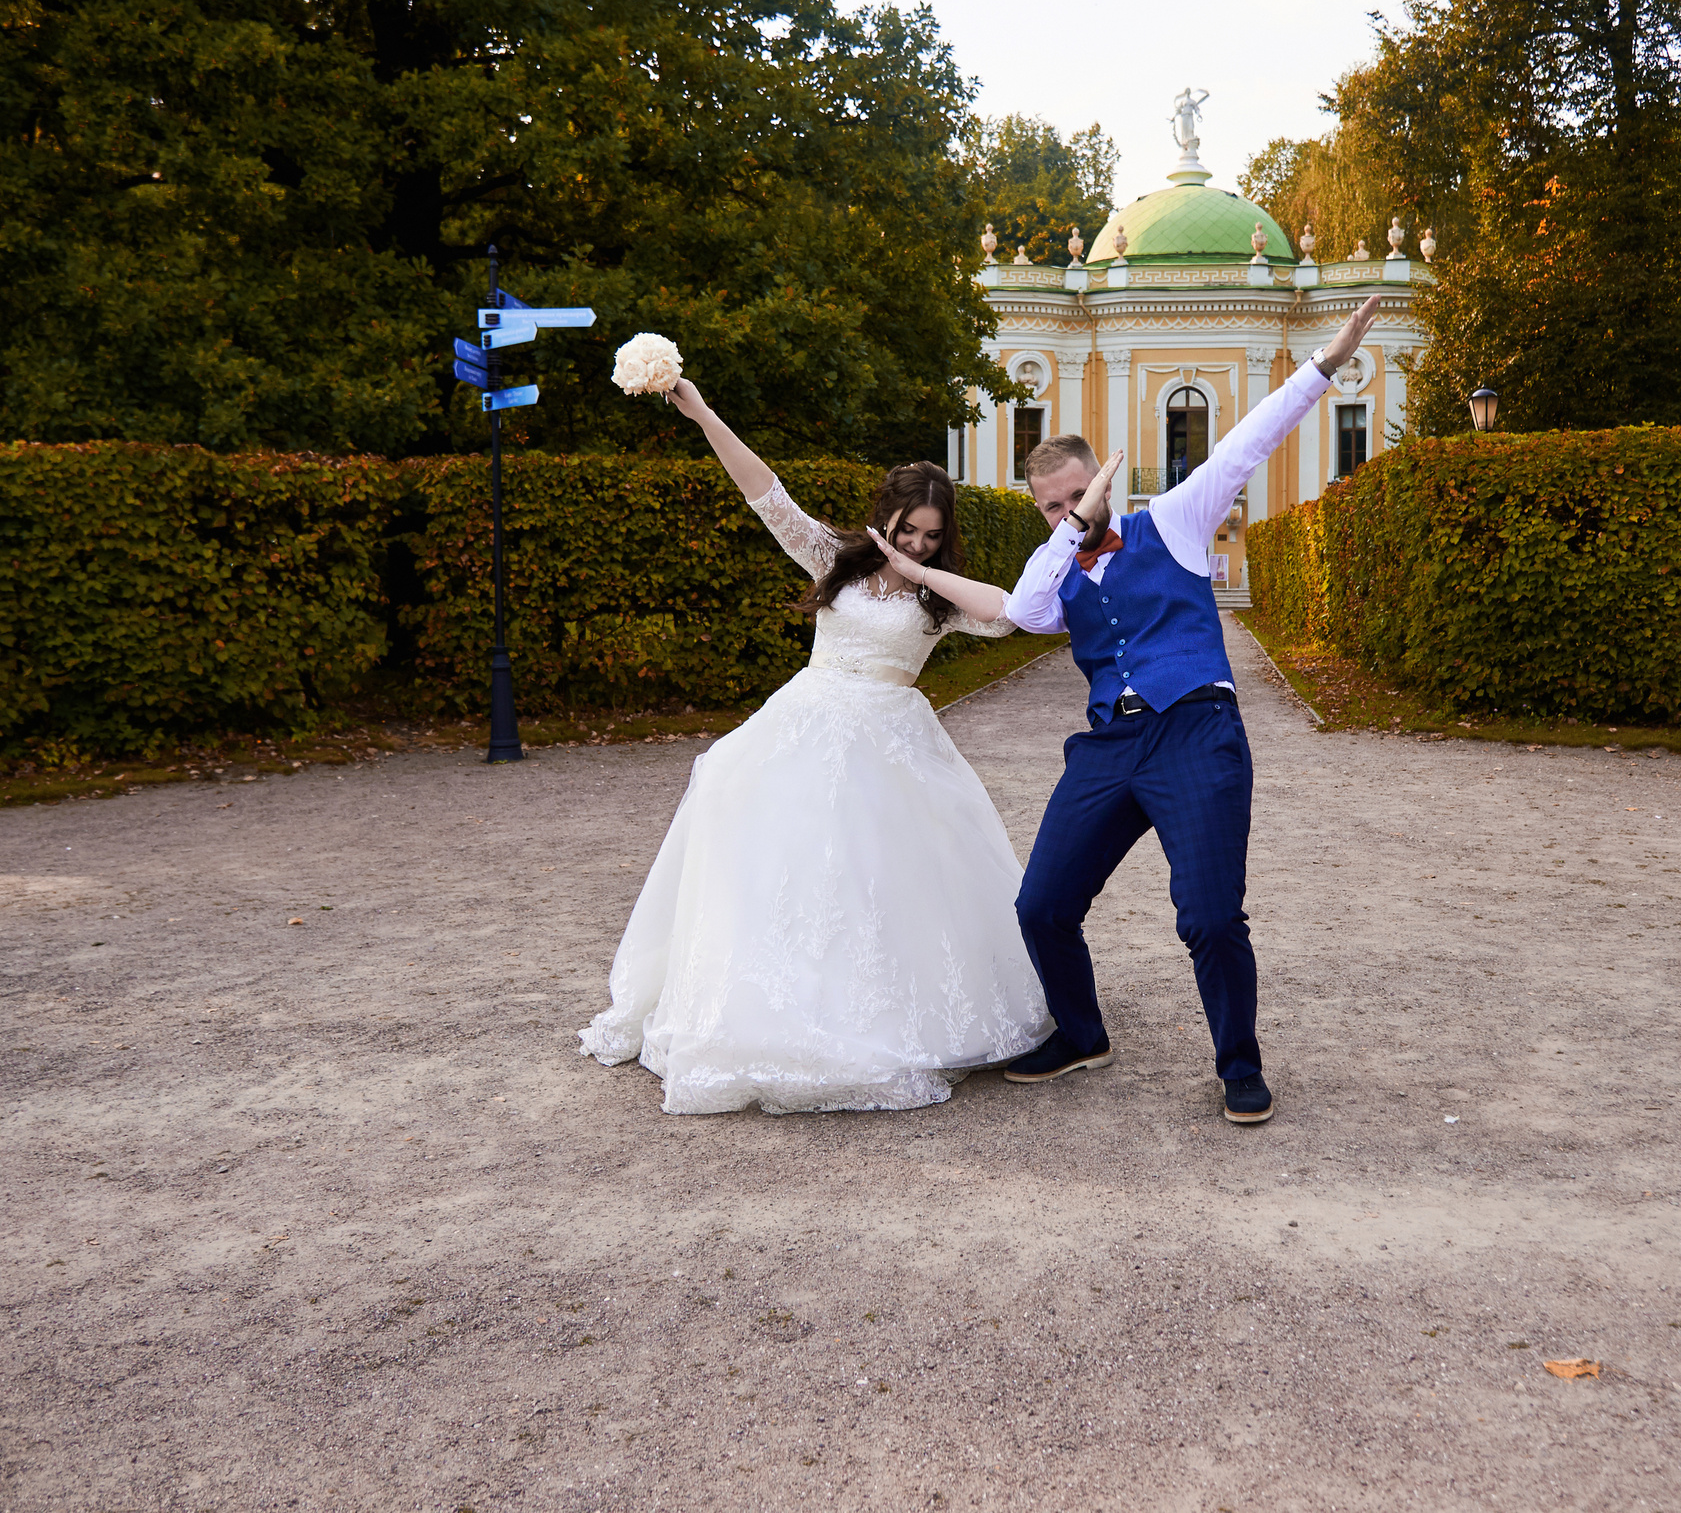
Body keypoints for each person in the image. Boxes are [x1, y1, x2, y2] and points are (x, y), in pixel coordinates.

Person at [576, 377, 1053, 1113]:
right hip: (803, 726)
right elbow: (766, 494)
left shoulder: (938, 597)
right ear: (883, 516)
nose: (916, 542)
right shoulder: (833, 559)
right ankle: (775, 1012)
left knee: (881, 882)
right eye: (906, 529)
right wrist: (704, 410)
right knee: (787, 870)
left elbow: (1014, 614)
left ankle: (886, 1017)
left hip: (892, 744)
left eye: (931, 533)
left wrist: (926, 572)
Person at [985, 296, 1384, 1125]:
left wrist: (1328, 359)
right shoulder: (1057, 572)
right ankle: (1082, 1032)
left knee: (1208, 914)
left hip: (1196, 731)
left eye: (1077, 496)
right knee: (1041, 906)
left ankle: (1239, 1063)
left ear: (1103, 476)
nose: (1070, 515)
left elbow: (1251, 440)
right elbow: (1022, 613)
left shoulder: (1174, 518)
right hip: (1110, 745)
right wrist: (1068, 537)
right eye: (1051, 506)